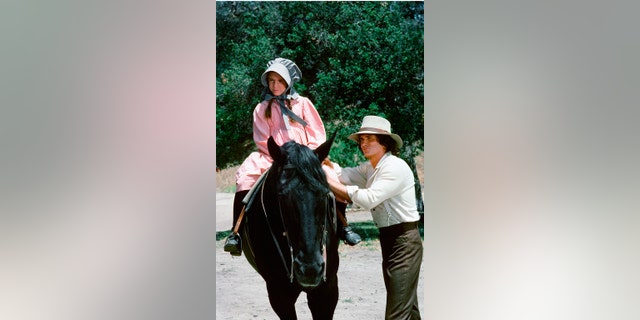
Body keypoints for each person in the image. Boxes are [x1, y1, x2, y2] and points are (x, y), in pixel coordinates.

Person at [223, 58, 361, 256]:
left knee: (330, 175)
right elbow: (263, 139)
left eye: (279, 80)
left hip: (305, 157)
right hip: (274, 157)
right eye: (271, 80)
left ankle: (343, 225)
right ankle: (236, 232)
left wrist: (306, 155)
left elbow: (317, 134)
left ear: (288, 81)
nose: (275, 85)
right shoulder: (262, 109)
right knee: (245, 178)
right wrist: (282, 155)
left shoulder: (303, 103)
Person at [324, 115, 423, 319]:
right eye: (361, 139)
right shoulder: (370, 168)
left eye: (370, 138)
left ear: (384, 142)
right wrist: (325, 164)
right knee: (407, 307)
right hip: (389, 239)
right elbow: (345, 174)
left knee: (397, 313)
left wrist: (329, 183)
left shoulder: (394, 167)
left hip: (405, 241)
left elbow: (369, 198)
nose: (364, 143)